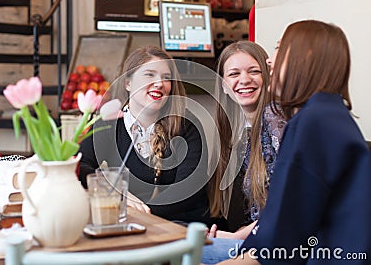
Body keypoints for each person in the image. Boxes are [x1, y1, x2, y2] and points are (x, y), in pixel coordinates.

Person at [215, 20, 371, 265]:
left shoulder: (313, 122)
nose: (269, 61)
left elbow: (281, 240)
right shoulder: (327, 114)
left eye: (279, 48)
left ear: (305, 58)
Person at [79, 46, 211, 225]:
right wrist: (118, 190)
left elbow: (186, 191)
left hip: (181, 226)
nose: (159, 83)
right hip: (130, 225)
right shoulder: (108, 124)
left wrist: (135, 211)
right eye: (150, 75)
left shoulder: (187, 126)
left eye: (166, 78)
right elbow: (80, 166)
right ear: (128, 83)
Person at [203, 41, 286, 264]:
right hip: (257, 240)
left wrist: (235, 236)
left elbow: (285, 209)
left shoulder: (278, 125)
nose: (244, 80)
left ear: (267, 76)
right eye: (234, 74)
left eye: (254, 71)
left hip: (279, 246)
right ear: (222, 84)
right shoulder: (235, 132)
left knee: (188, 253)